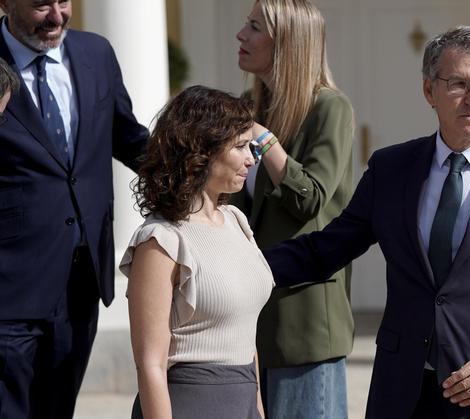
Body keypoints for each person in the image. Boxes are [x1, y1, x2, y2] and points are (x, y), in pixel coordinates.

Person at [263, 26, 470, 418]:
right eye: (457, 83)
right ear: (429, 91)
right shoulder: (391, 169)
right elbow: (323, 250)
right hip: (403, 393)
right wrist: (230, 264)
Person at [0, 1, 149, 418]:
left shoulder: (95, 53)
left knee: (57, 409)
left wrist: (193, 176)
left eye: (64, 1)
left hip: (80, 281)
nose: (57, 16)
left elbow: (129, 138)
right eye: (41, 4)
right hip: (8, 286)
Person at [119, 86, 274, 419]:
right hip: (189, 405)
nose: (251, 158)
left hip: (243, 399)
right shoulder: (160, 240)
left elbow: (246, 331)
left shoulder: (236, 221)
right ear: (201, 151)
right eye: (240, 146)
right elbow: (150, 363)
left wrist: (258, 407)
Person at [234, 1, 355, 417]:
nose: (240, 35)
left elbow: (311, 197)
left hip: (303, 321)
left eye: (253, 27)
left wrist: (265, 142)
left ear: (286, 43)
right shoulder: (246, 109)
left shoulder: (329, 109)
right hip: (247, 319)